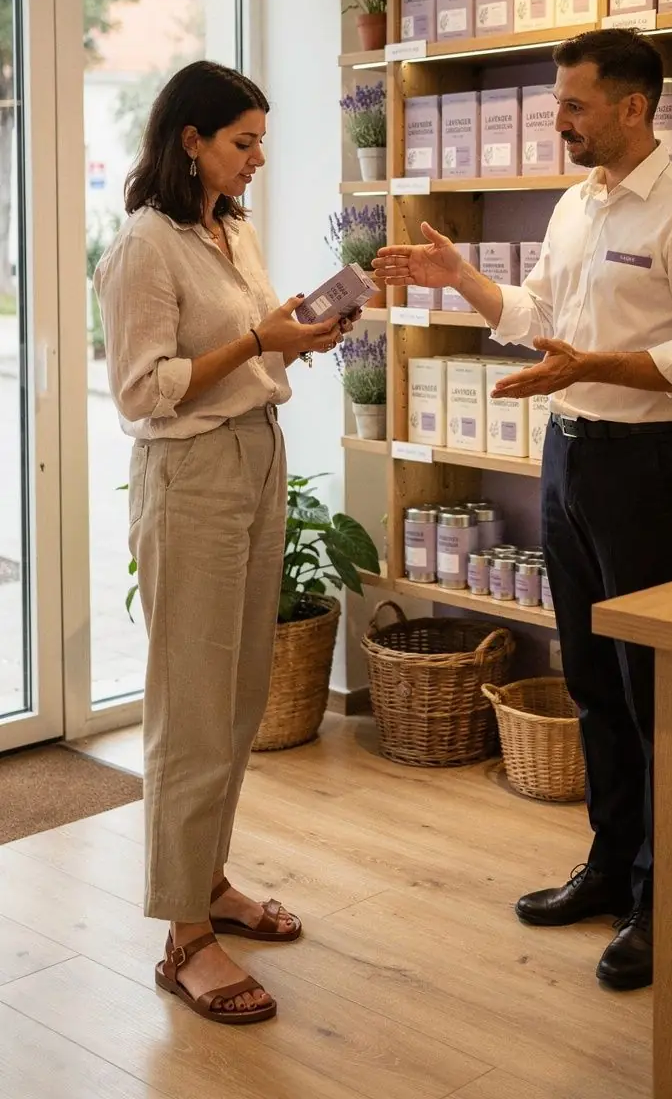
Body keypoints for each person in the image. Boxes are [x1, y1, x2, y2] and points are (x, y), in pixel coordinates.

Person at [374, 29, 672, 992]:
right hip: (568, 455)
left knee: (648, 690)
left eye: (575, 105)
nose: (559, 119)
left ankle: (666, 898)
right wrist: (464, 281)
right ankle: (611, 868)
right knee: (587, 675)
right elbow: (539, 313)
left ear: (633, 107)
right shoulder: (576, 204)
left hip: (644, 466)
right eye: (559, 103)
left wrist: (597, 366)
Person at [95, 60, 350, 1026]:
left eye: (261, 144)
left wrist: (299, 336)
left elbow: (250, 342)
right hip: (192, 476)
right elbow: (142, 389)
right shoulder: (143, 250)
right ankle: (184, 939)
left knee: (239, 700)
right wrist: (257, 343)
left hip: (256, 458)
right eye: (243, 143)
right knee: (192, 710)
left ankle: (210, 886)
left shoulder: (231, 231)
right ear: (191, 139)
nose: (257, 161)